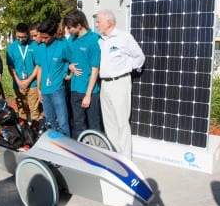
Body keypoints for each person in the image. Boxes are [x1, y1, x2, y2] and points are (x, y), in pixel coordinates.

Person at [96, 9, 145, 159]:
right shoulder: (100, 41)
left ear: (108, 22)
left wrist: (126, 68)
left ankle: (126, 159)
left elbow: (139, 57)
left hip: (120, 83)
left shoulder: (124, 37)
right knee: (109, 122)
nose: (97, 25)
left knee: (122, 122)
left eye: (99, 22)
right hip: (105, 84)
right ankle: (115, 156)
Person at [63, 9, 103, 139]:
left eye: (70, 28)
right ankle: (81, 153)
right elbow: (66, 59)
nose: (68, 31)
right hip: (75, 90)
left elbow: (95, 70)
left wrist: (88, 95)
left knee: (94, 126)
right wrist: (69, 66)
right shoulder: (71, 41)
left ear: (79, 25)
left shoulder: (94, 40)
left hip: (90, 92)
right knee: (79, 124)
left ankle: (97, 153)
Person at [36, 19, 70, 136]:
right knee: (50, 122)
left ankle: (66, 147)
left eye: (46, 38)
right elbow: (40, 68)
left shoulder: (62, 46)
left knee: (63, 122)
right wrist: (38, 89)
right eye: (42, 37)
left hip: (58, 89)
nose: (43, 40)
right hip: (45, 90)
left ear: (54, 34)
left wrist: (67, 74)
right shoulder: (40, 48)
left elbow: (71, 61)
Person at [6, 22, 41, 126]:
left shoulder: (34, 46)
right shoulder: (11, 47)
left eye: (23, 37)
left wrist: (28, 81)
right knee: (21, 110)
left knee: (34, 110)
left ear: (28, 35)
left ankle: (35, 132)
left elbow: (38, 65)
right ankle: (24, 131)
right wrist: (19, 82)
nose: (20, 39)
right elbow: (10, 67)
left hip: (33, 84)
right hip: (18, 84)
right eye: (18, 37)